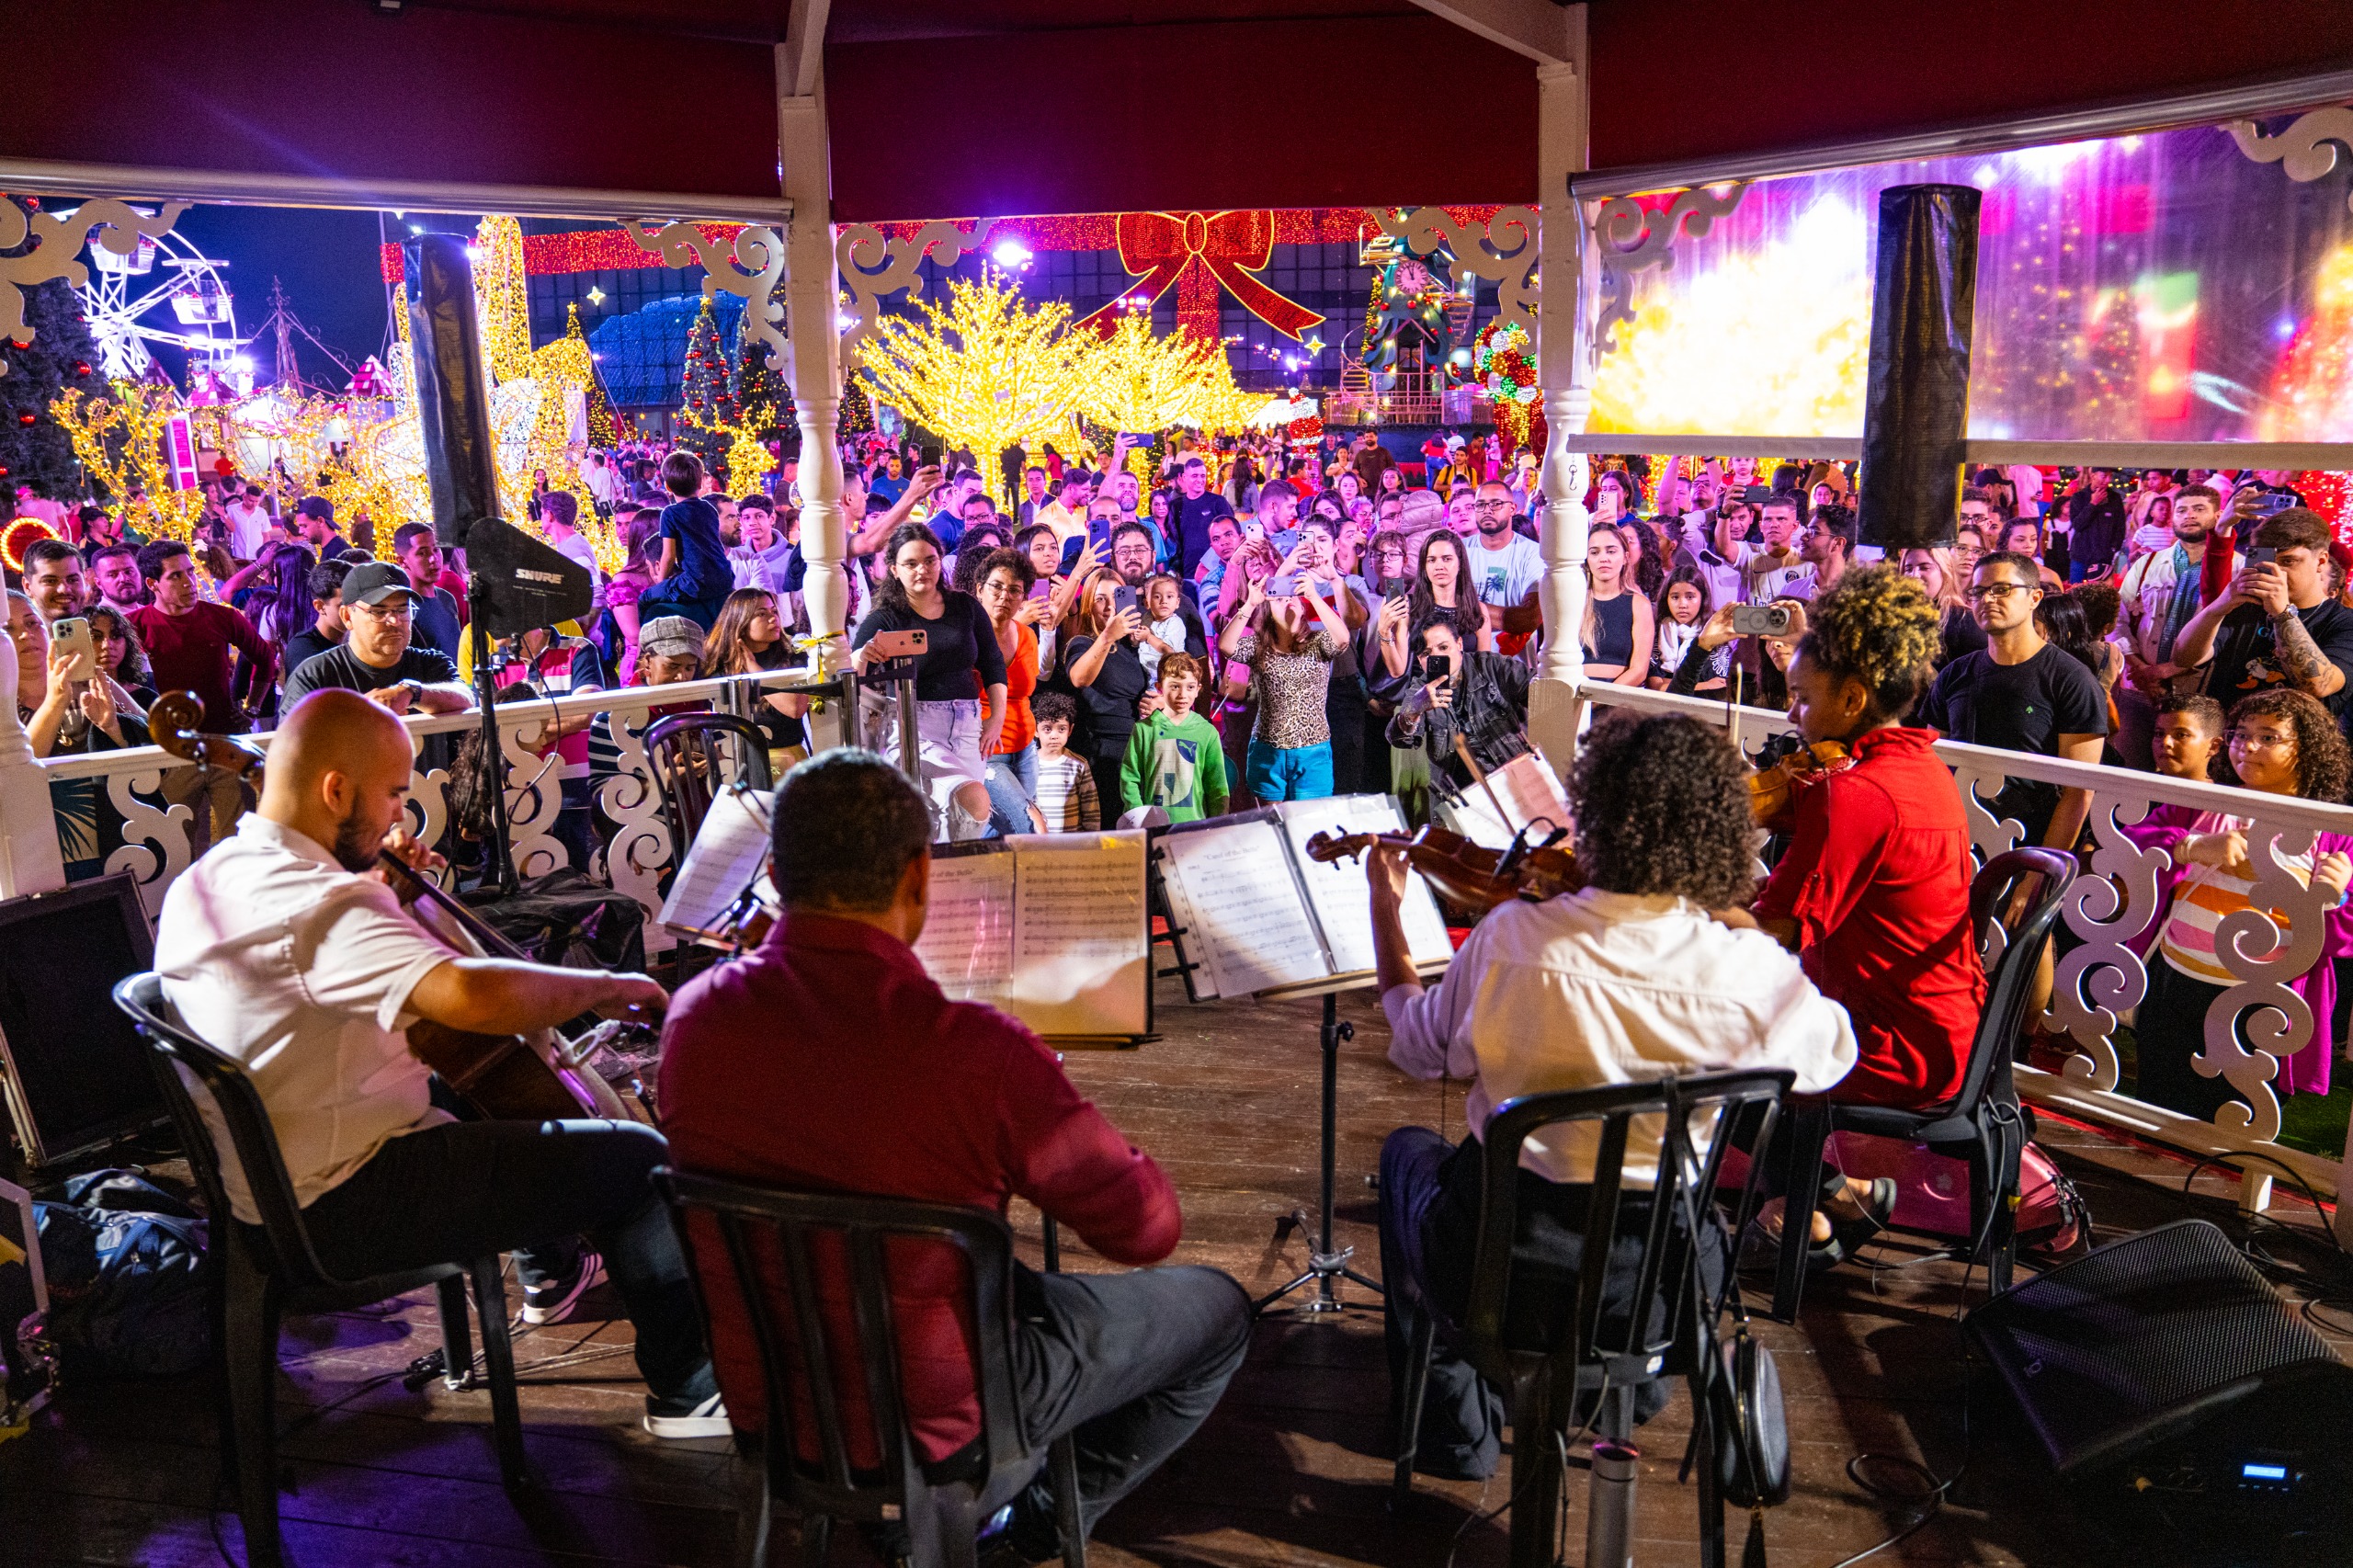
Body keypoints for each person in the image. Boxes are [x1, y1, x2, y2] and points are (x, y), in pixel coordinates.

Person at [657, 753, 1246, 1557]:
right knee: (1217, 1313)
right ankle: (1027, 1526)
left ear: (777, 871)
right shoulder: (974, 1050)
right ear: (916, 877)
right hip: (947, 1417)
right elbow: (1147, 1232)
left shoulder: (695, 1020)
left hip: (775, 1400)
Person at [155, 689, 726, 1437]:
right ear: (335, 789)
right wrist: (608, 984)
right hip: (342, 1205)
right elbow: (466, 993)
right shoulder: (321, 904)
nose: (400, 814)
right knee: (638, 1162)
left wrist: (393, 900)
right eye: (394, 792)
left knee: (475, 1090)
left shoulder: (215, 872)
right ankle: (689, 1392)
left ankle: (550, 1267)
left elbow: (376, 984)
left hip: (272, 1179)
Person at [1370, 710, 1858, 1479]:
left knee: (1407, 1156)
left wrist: (1386, 910)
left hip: (1499, 1277)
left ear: (1590, 815)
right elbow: (1830, 1058)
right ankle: (1621, 1395)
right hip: (1659, 1290)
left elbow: (1416, 1045)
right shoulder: (1746, 972)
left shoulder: (1511, 939)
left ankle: (1455, 1430)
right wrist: (1737, 921)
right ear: (1719, 833)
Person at [1750, 568, 1986, 1250]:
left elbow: (1774, 931)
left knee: (1707, 1046)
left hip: (1892, 1043)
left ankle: (1805, 1216)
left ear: (1852, 697)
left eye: (1800, 699)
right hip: (1943, 1025)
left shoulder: (1855, 793)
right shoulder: (1919, 770)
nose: (1791, 716)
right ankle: (1833, 1201)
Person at [2124, 689, 2353, 1119]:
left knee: (2236, 1119)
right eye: (2240, 734)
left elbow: (2345, 934)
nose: (2246, 747)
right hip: (2177, 980)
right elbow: (2135, 846)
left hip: (2263, 1001)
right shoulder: (2208, 803)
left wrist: (2336, 895)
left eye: (2268, 737)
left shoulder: (2331, 831)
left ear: (2308, 748)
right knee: (2158, 1107)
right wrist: (2191, 846)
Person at [1916, 551, 2109, 848]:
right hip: (1952, 839)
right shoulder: (1956, 674)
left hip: (2025, 843)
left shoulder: (2071, 680)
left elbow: (2078, 793)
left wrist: (2034, 877)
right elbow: (1931, 764)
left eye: (2002, 589)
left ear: (2035, 598)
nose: (1988, 599)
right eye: (1978, 592)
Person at [850, 521, 1006, 841]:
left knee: (956, 824)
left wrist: (997, 718)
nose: (922, 569)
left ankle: (942, 884)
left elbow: (992, 662)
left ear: (940, 559)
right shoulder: (887, 617)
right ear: (894, 569)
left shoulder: (964, 606)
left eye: (930, 560)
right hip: (914, 725)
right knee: (973, 802)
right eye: (910, 563)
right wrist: (866, 653)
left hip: (967, 726)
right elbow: (852, 669)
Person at [2172, 507, 2353, 730]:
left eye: (2288, 561)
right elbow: (2184, 658)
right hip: (2231, 740)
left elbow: (2318, 685)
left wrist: (2282, 613)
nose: (2276, 572)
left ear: (2321, 561)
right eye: (2267, 559)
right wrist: (2219, 606)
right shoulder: (2246, 606)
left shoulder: (2344, 621)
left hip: (2297, 752)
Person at [1219, 571, 1350, 803]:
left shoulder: (1318, 642)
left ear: (1302, 609)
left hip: (1313, 750)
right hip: (1268, 750)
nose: (1288, 599)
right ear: (1268, 612)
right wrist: (1250, 604)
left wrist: (1314, 596)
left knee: (1311, 825)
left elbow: (1342, 639)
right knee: (1272, 822)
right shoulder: (1259, 646)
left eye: (1294, 597)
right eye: (1279, 598)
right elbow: (1227, 646)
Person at [282, 562, 472, 714]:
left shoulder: (430, 663)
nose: (395, 621)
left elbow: (465, 697)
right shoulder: (315, 675)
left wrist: (410, 694)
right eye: (379, 612)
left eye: (402, 609)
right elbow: (291, 747)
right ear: (348, 617)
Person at [130, 540, 276, 733]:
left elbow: (265, 658)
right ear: (152, 583)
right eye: (175, 575)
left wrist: (252, 709)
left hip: (222, 731)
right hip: (164, 734)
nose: (189, 582)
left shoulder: (223, 617)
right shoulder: (133, 625)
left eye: (190, 572)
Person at [1386, 612, 1532, 789]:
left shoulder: (1491, 666)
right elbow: (1399, 739)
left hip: (1513, 779)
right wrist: (1415, 710)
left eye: (1443, 647)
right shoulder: (1421, 690)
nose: (1437, 657)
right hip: (1460, 795)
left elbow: (1539, 690)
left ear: (1459, 644)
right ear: (1420, 660)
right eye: (1427, 653)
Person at [700, 588, 810, 776]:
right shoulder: (718, 666)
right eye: (762, 614)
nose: (773, 618)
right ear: (740, 622)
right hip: (736, 762)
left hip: (788, 759)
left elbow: (794, 708)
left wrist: (753, 668)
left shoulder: (793, 657)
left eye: (774, 611)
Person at [1118, 652, 1229, 823]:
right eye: (1175, 686)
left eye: (1190, 687)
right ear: (1160, 688)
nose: (1183, 694)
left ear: (1198, 689)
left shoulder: (1207, 732)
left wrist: (1218, 822)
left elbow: (1217, 785)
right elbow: (1130, 778)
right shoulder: (1144, 729)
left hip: (1194, 826)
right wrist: (1138, 816)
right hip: (1152, 825)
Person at [639, 451, 735, 630]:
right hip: (724, 577)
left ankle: (642, 648)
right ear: (700, 483)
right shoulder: (709, 508)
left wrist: (661, 582)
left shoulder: (670, 513)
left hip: (694, 581)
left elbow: (668, 555)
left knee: (645, 598)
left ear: (667, 486)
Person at [1579, 520, 1654, 686]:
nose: (1603, 558)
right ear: (1587, 558)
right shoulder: (1575, 601)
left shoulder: (1639, 604)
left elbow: (1640, 670)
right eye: (1595, 552)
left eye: (1611, 551)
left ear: (1625, 557)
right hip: (1575, 696)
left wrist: (1599, 700)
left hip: (1619, 699)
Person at [1898, 546, 1988, 669]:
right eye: (1908, 569)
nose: (1915, 575)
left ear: (1945, 571)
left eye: (1925, 567)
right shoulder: (1896, 616)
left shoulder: (1964, 620)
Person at [1649, 562, 1729, 691]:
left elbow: (1718, 684)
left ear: (1703, 598)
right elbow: (1656, 686)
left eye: (1690, 597)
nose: (1682, 604)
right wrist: (1704, 685)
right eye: (1675, 597)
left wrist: (1668, 683)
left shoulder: (1715, 634)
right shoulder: (1655, 631)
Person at [276, 557, 352, 693]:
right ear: (320, 606)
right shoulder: (303, 649)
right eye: (343, 605)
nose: (353, 612)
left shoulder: (353, 638)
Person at [1029, 692, 1101, 832]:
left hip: (1073, 845)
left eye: (1061, 729)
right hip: (1041, 844)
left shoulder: (1078, 764)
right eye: (1047, 729)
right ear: (1035, 730)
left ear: (1070, 730)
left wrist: (1092, 840)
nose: (1054, 736)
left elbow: (1090, 807)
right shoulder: (1029, 764)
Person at [1170, 456, 1237, 578]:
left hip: (1216, 573)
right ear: (1184, 478)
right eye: (1195, 476)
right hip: (1187, 574)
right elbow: (1174, 541)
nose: (1200, 480)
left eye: (1203, 476)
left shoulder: (1218, 502)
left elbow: (1233, 534)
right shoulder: (1177, 506)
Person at [2063, 468, 2129, 583]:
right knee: (2075, 592)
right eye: (2104, 476)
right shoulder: (2079, 497)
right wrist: (2093, 504)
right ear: (2093, 476)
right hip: (2080, 555)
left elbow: (2120, 528)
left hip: (2103, 558)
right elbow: (2078, 525)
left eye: (2110, 476)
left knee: (2101, 595)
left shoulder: (2115, 499)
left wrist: (2113, 549)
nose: (2108, 480)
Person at [2151, 691, 2224, 783]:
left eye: (2181, 735)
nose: (2166, 742)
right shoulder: (2136, 788)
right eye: (2159, 734)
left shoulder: (2223, 796)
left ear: (2213, 746)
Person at [21, 539, 88, 627]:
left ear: (85, 581)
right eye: (50, 581)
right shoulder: (16, 639)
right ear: (27, 587)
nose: (64, 590)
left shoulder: (107, 632)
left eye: (72, 580)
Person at [88, 543, 145, 617]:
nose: (123, 579)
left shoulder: (151, 615)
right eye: (112, 575)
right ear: (99, 583)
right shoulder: (98, 621)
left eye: (129, 572)